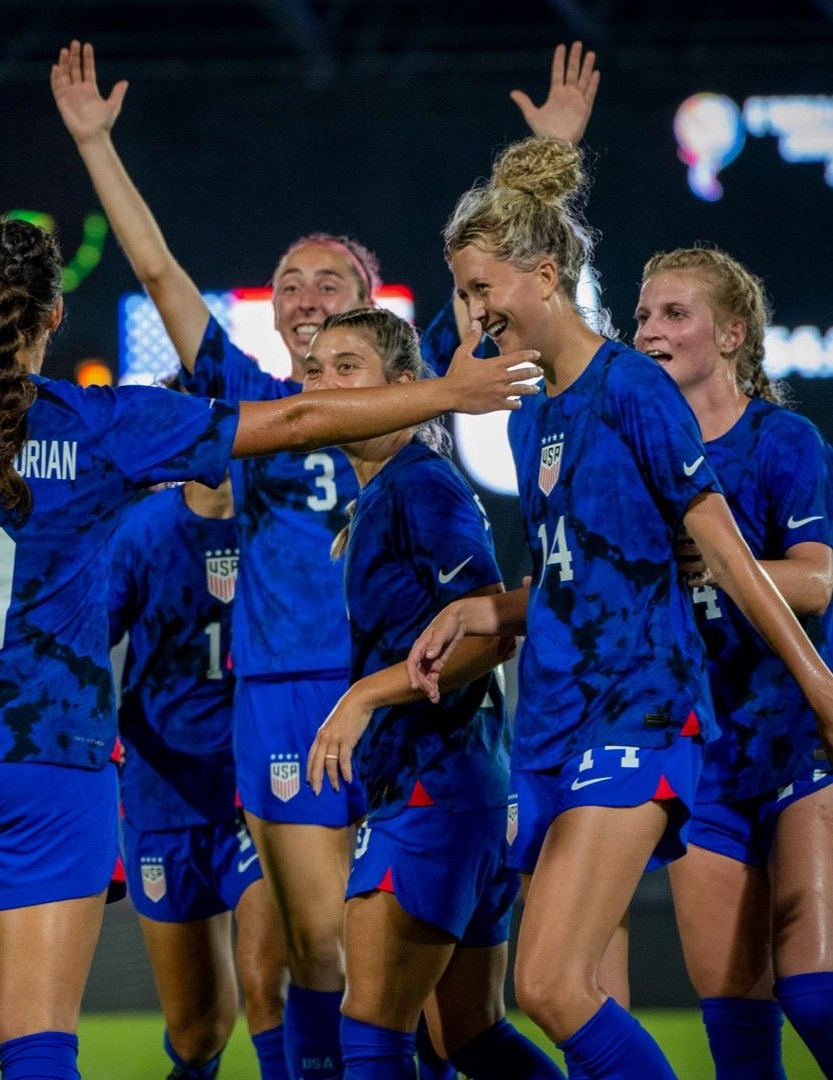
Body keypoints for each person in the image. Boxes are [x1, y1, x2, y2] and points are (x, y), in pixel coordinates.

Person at [0, 214, 538, 1080]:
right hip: (43, 760)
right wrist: (446, 395)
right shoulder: (104, 423)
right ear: (54, 318)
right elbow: (301, 416)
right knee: (38, 1034)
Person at [51, 40, 596, 1080]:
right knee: (313, 959)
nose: (304, 298)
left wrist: (545, 156)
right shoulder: (260, 411)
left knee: (398, 983)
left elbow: (487, 285)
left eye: (329, 283)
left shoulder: (416, 393)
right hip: (284, 701)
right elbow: (160, 272)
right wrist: (93, 145)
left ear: (370, 316)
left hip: (399, 698)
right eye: (290, 284)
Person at [405, 136, 833, 1080]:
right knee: (547, 994)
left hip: (641, 707)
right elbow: (583, 574)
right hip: (553, 720)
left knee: (555, 984)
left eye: (484, 289)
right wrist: (492, 614)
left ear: (549, 275)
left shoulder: (632, 388)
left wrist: (821, 681)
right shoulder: (534, 412)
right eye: (465, 294)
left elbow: (720, 549)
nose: (474, 314)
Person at [299, 308, 563, 1080]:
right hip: (457, 790)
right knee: (467, 1035)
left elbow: (489, 632)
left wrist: (365, 698)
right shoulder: (384, 492)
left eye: (349, 366)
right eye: (316, 370)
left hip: (434, 792)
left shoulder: (421, 486)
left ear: (406, 389)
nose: (325, 383)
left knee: (372, 1031)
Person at [634, 247, 833, 1077]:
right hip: (701, 757)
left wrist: (716, 558)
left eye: (674, 314)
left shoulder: (782, 440)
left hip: (797, 739)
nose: (650, 332)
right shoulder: (634, 459)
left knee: (815, 994)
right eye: (642, 316)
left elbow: (819, 580)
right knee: (737, 1039)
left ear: (733, 332)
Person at [107, 473, 287, 1080]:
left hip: (261, 788)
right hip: (164, 794)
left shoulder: (281, 522)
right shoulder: (142, 531)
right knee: (198, 1030)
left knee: (268, 988)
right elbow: (81, 645)